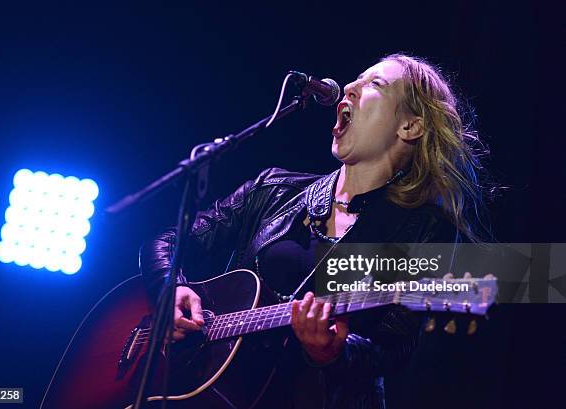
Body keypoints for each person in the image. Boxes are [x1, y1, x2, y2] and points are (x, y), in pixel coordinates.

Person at [140, 53, 488, 409]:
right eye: (356, 78)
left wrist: (332, 353)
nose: (349, 87)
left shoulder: (420, 228)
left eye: (374, 84)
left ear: (409, 127)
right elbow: (170, 242)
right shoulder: (273, 188)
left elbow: (394, 349)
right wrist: (171, 289)